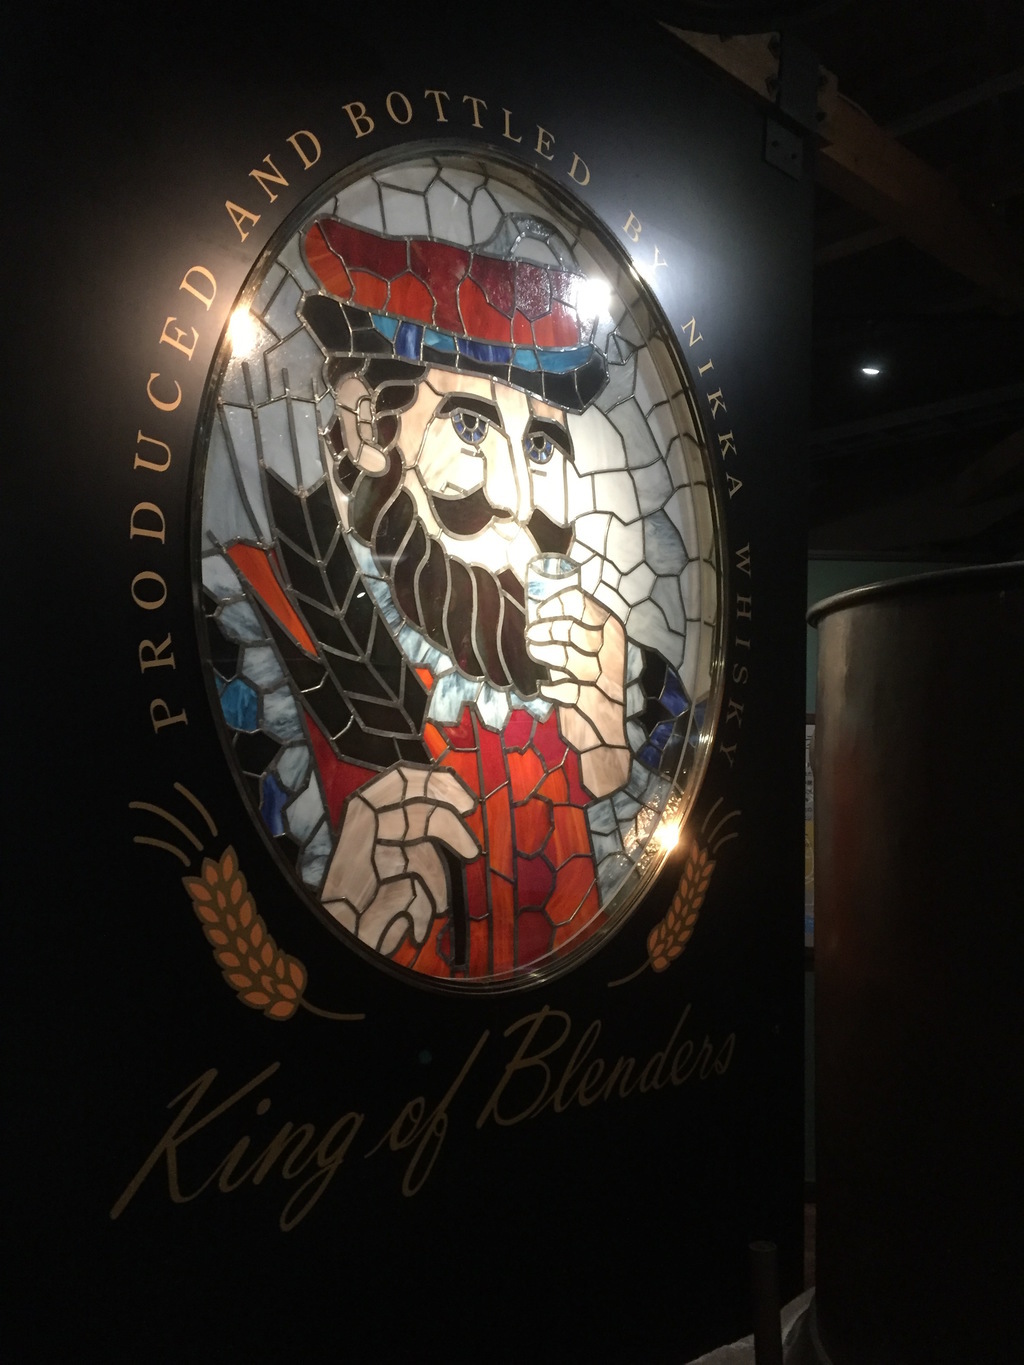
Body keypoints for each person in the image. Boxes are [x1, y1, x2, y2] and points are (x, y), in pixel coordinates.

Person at [221, 215, 693, 982]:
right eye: (471, 425)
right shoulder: (261, 636)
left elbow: (656, 881)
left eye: (541, 446)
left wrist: (610, 764)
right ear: (366, 426)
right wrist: (336, 919)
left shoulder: (616, 677)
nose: (516, 497)